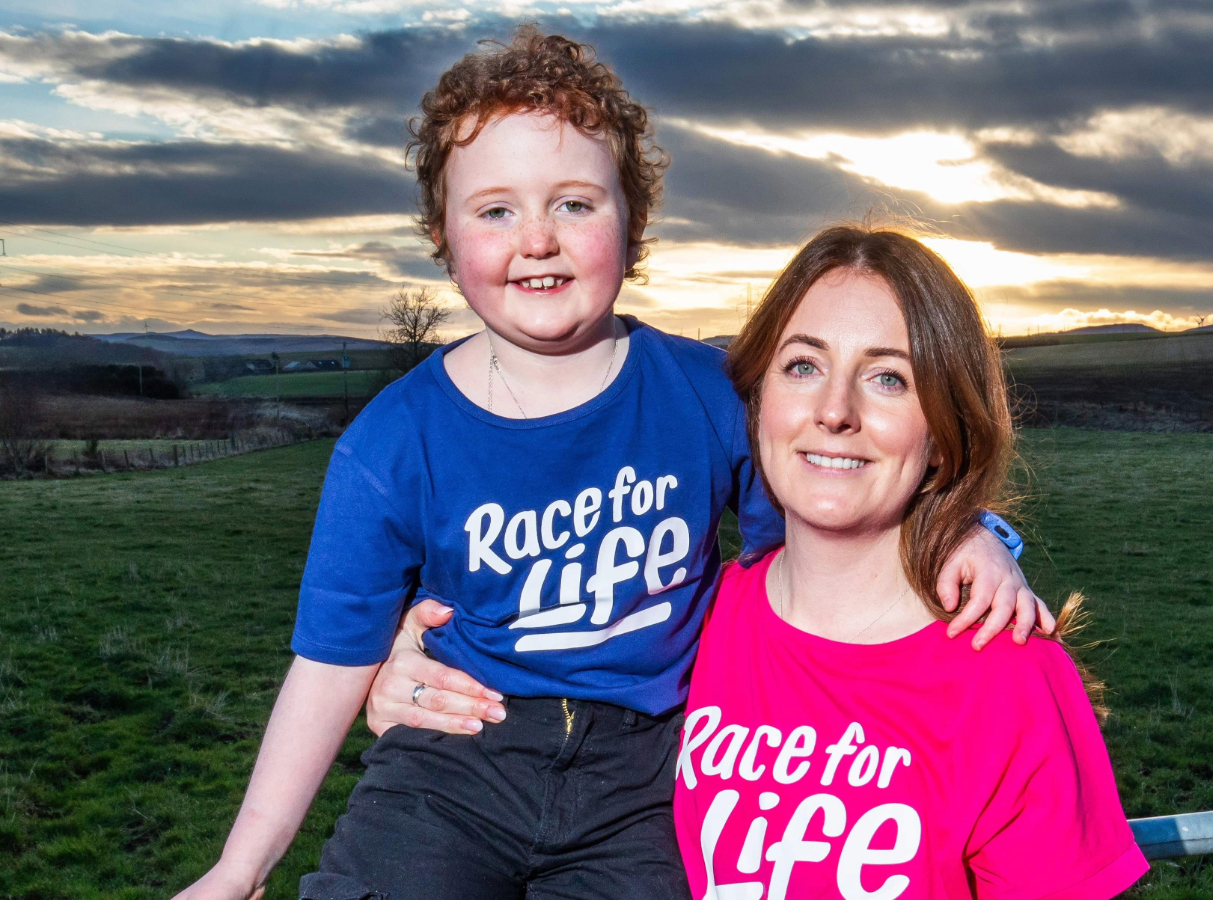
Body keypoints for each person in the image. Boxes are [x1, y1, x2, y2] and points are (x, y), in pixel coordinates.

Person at [174, 30, 1049, 900]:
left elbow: (836, 520)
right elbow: (329, 663)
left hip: (653, 775)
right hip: (456, 762)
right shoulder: (390, 443)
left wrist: (965, 535)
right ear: (442, 236)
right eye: (495, 210)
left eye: (575, 204)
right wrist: (240, 866)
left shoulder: (707, 394)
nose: (538, 240)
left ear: (633, 229)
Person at [671, 225, 1149, 899]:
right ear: (757, 402)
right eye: (803, 366)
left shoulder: (1011, 674)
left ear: (942, 436)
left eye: (889, 378)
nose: (834, 411)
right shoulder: (688, 619)